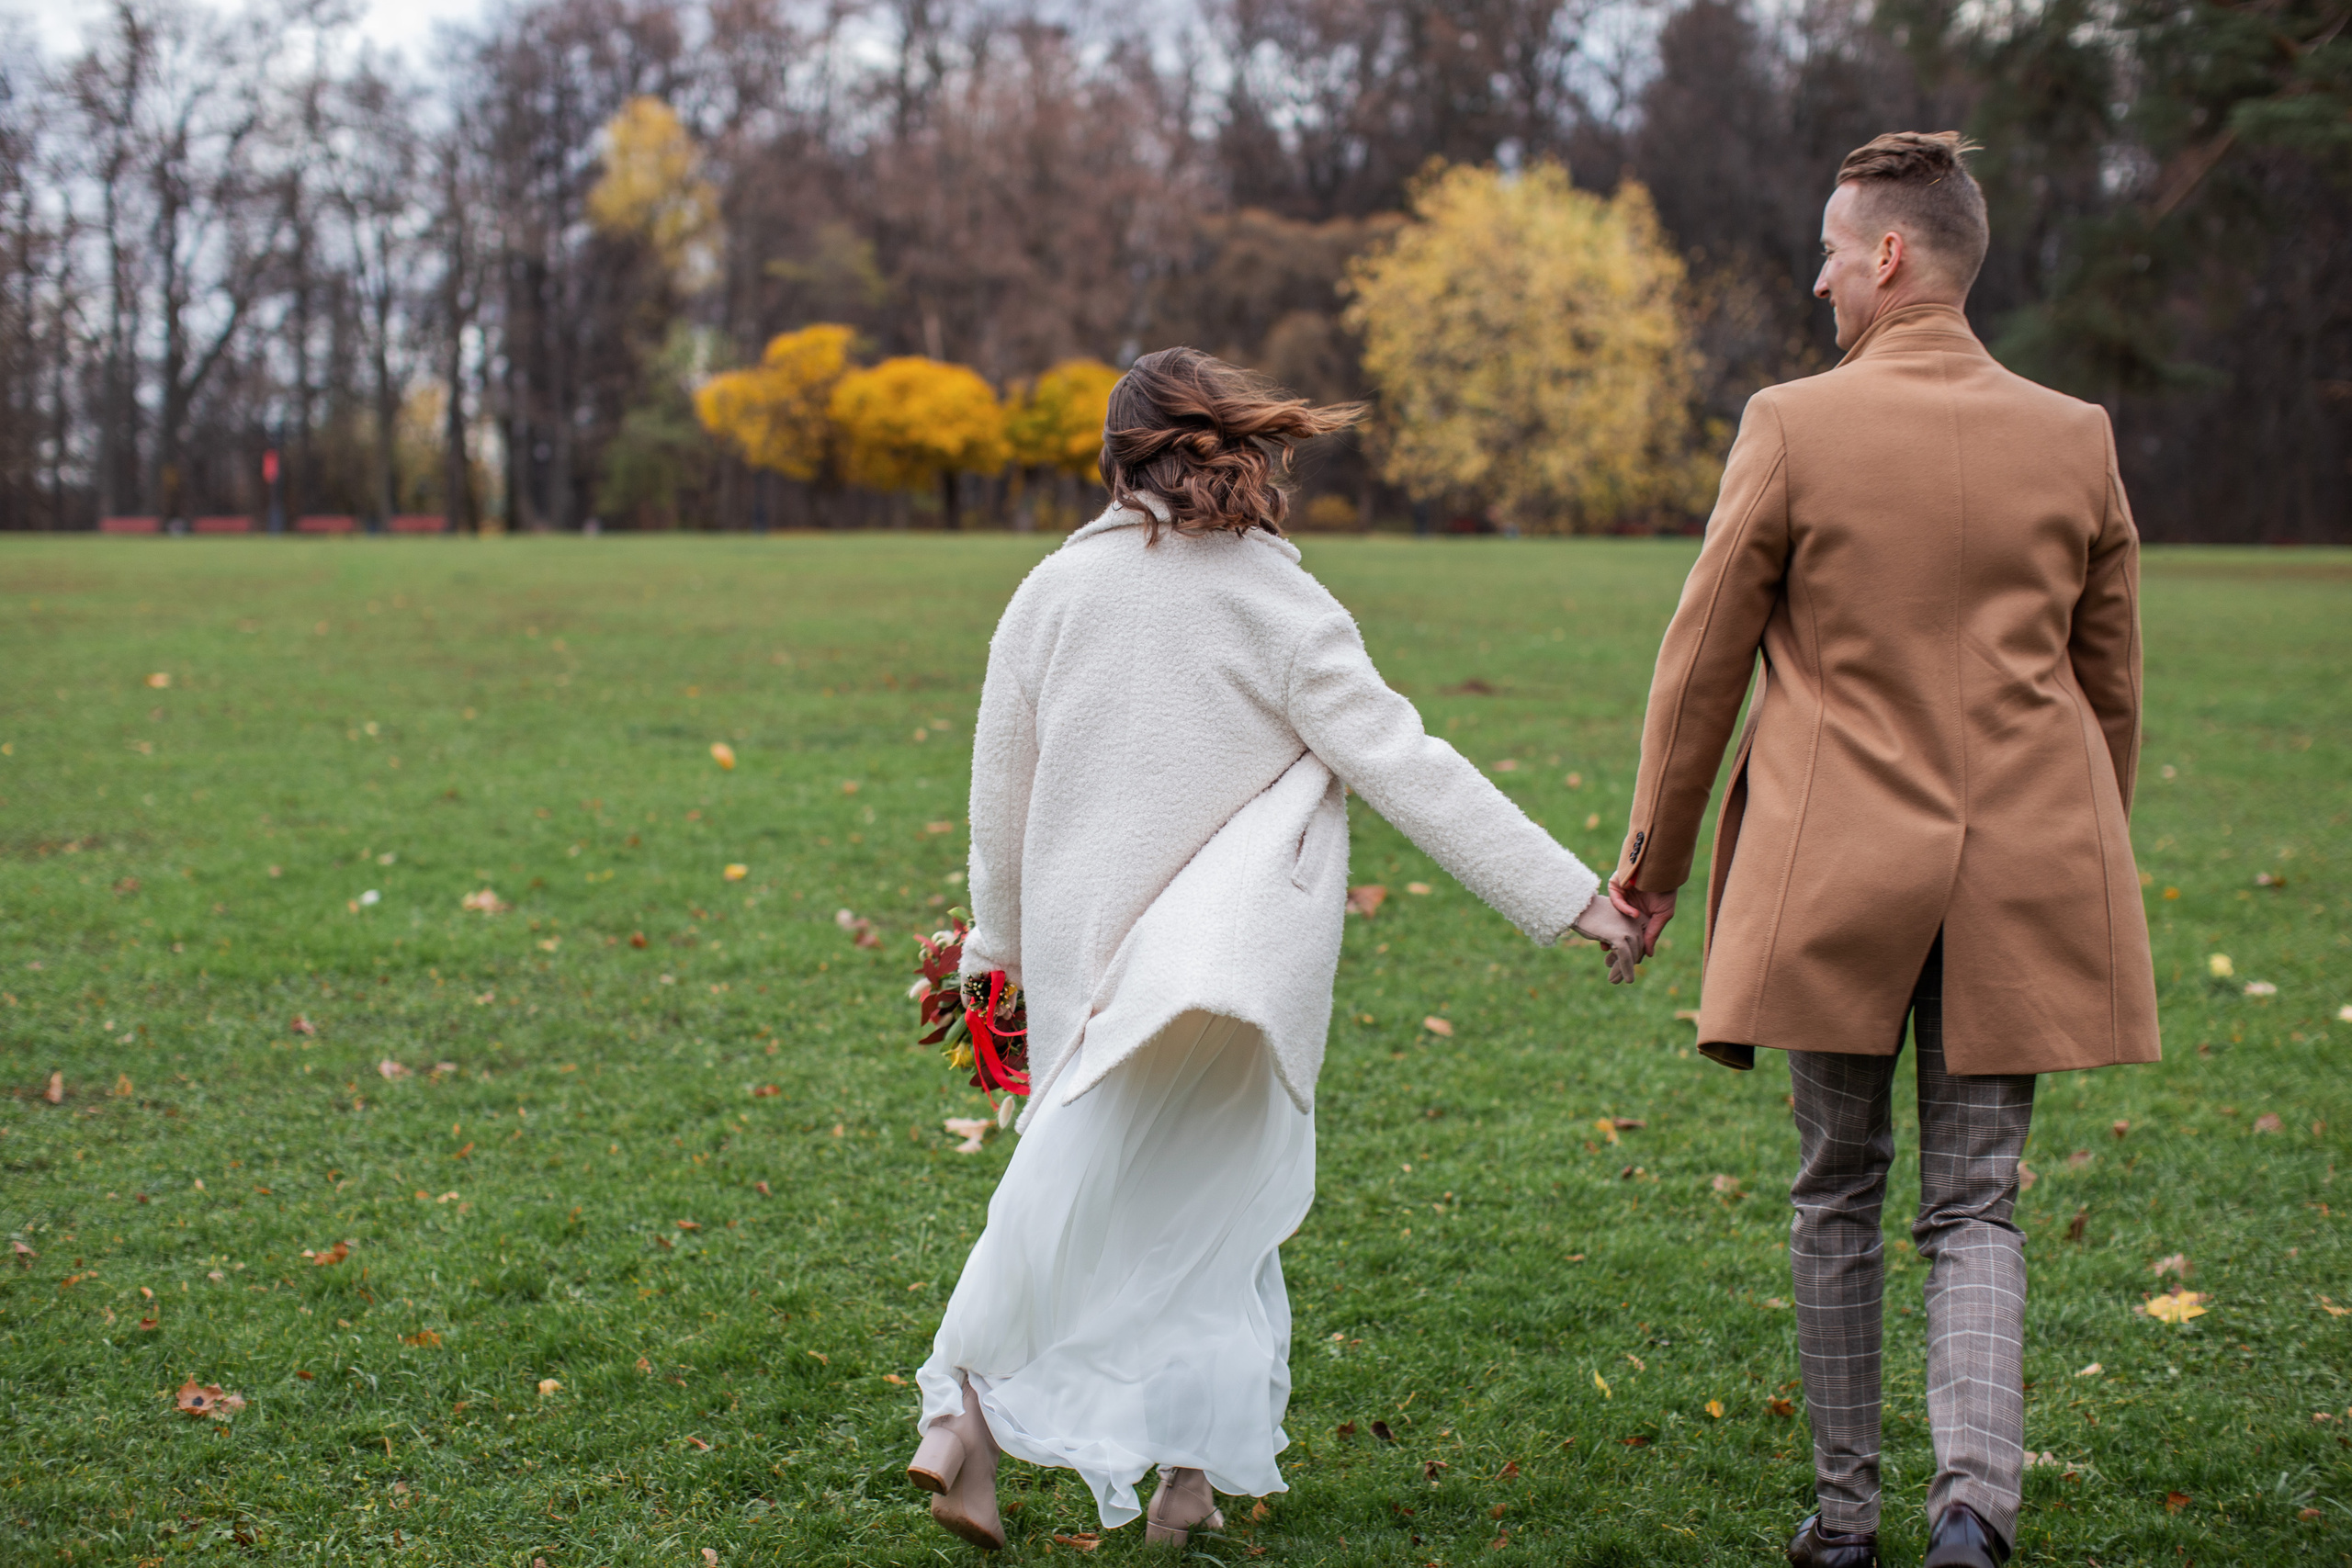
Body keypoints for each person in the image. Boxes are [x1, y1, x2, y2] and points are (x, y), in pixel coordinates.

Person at [909, 347, 1646, 1550]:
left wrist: (998, 954)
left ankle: (1011, 1430)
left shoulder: (1050, 593)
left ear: (1116, 465)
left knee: (1082, 1190)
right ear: (1240, 452)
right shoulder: (1278, 603)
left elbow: (1001, 800)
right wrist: (1575, 899)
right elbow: (1408, 767)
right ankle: (1121, 1459)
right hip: (1225, 973)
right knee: (1217, 1210)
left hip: (1092, 970)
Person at [1607, 132, 2158, 1568]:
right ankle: (1972, 1510)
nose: (1822, 279)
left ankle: (1846, 1523)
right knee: (1976, 1206)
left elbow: (1701, 665)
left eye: (1833, 253)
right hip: (2022, 876)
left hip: (1833, 875)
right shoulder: (2077, 436)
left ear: (1892, 257)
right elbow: (2110, 691)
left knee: (1837, 1192)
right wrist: (2081, 859)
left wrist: (1654, 863)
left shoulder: (1794, 425)